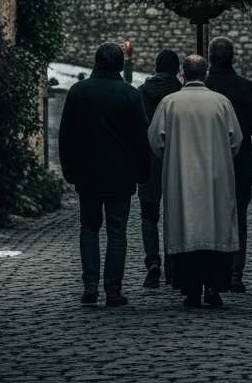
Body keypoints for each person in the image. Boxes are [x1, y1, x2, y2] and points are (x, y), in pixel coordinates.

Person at [58, 41, 151, 308]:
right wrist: (143, 173)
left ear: (96, 62)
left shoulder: (78, 92)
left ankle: (90, 284)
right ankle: (112, 290)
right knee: (117, 232)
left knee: (88, 229)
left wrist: (69, 170)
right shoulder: (130, 95)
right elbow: (140, 140)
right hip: (121, 175)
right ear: (120, 65)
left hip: (87, 173)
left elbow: (66, 136)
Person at [149, 54, 242, 308]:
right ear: (206, 75)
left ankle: (191, 290)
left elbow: (156, 141)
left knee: (186, 229)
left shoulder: (170, 103)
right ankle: (213, 287)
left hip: (182, 179)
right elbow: (236, 140)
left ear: (183, 75)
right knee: (214, 229)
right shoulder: (221, 103)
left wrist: (174, 158)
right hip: (216, 179)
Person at [205, 37, 252, 293]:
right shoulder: (246, 87)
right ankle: (235, 273)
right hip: (238, 164)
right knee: (238, 219)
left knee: (208, 218)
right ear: (233, 57)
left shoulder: (203, 87)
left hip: (207, 164)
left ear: (209, 57)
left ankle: (210, 271)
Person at [135, 49, 182, 288]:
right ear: (177, 70)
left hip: (149, 160)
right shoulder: (182, 94)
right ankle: (174, 266)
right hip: (177, 160)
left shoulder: (142, 93)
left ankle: (153, 260)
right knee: (176, 215)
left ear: (155, 68)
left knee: (148, 216)